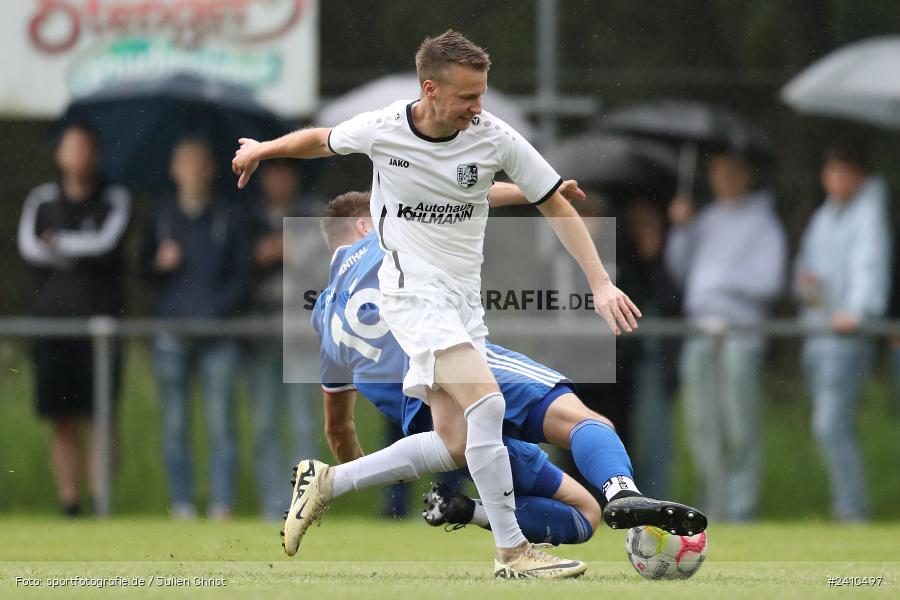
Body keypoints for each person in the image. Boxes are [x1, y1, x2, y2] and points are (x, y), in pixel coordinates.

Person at [233, 31, 640, 578]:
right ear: (431, 89)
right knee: (488, 406)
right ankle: (512, 552)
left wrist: (600, 283)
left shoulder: (493, 138)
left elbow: (553, 205)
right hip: (413, 298)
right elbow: (321, 139)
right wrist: (262, 149)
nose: (479, 108)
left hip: (462, 304)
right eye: (468, 96)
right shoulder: (385, 129)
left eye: (483, 94)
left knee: (453, 442)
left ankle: (330, 482)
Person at [290, 191, 705, 550]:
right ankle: (623, 491)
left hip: (425, 425)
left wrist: (357, 471)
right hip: (457, 363)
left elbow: (338, 430)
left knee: (583, 513)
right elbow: (454, 197)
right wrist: (534, 190)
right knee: (584, 421)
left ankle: (466, 510)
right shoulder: (389, 231)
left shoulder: (324, 316)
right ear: (366, 223)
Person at [665, 151, 786, 521]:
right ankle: (713, 504)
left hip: (739, 334)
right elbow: (679, 269)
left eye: (733, 172)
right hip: (700, 332)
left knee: (738, 423)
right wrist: (681, 229)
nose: (725, 179)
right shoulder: (705, 221)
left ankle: (740, 508)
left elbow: (770, 281)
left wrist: (722, 285)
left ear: (747, 174)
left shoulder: (764, 223)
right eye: (719, 172)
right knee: (702, 424)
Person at [17, 123, 131, 517]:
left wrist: (60, 244)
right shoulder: (41, 200)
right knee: (61, 420)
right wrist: (76, 250)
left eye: (86, 148)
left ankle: (102, 502)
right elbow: (30, 250)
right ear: (59, 155)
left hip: (100, 325)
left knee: (99, 417)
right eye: (72, 148)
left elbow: (106, 245)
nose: (78, 155)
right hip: (53, 326)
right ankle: (70, 504)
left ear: (94, 154)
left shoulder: (114, 198)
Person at [140, 139, 252, 520]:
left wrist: (215, 313)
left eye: (199, 162)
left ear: (210, 170)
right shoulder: (161, 216)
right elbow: (142, 273)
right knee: (175, 425)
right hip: (171, 336)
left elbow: (242, 277)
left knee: (221, 424)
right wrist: (158, 263)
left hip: (218, 337)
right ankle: (182, 505)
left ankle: (221, 505)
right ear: (174, 171)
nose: (192, 170)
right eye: (184, 162)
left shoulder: (229, 216)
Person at [794, 145, 891, 522]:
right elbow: (807, 267)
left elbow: (871, 264)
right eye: (831, 171)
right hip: (819, 331)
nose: (835, 179)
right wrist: (806, 283)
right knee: (829, 425)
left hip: (846, 333)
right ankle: (847, 504)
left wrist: (859, 310)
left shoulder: (868, 212)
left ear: (860, 176)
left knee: (830, 422)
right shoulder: (825, 215)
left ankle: (851, 508)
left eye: (843, 171)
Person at [246, 160, 322, 521]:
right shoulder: (246, 218)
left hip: (303, 337)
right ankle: (272, 505)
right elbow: (232, 273)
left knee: (305, 424)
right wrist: (258, 255)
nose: (279, 180)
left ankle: (304, 504)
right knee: (263, 425)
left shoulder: (314, 217)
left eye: (285, 173)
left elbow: (331, 270)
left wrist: (297, 255)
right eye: (272, 174)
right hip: (261, 336)